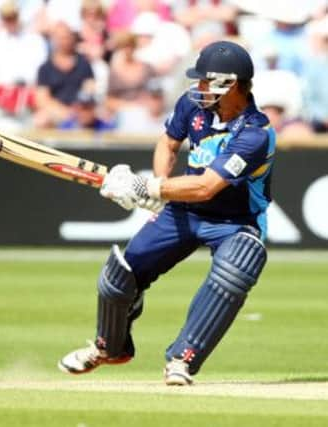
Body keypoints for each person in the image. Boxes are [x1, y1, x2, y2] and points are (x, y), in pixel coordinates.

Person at [58, 41, 275, 386]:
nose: (198, 87)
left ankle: (182, 360)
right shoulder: (193, 106)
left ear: (229, 84)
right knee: (122, 274)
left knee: (236, 270)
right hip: (184, 211)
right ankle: (109, 347)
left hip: (235, 223)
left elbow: (206, 186)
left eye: (205, 81)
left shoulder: (255, 134)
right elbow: (168, 144)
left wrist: (149, 188)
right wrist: (159, 184)